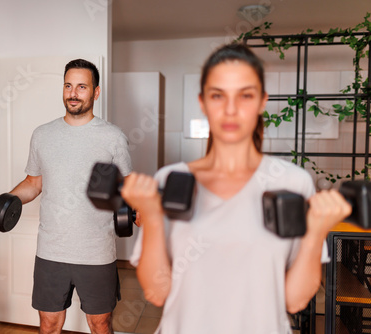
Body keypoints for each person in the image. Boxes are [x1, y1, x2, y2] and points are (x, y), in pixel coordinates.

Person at [120, 43, 352, 333]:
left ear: (262, 101)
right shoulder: (171, 180)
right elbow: (157, 292)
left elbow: (294, 300)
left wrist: (317, 232)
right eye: (218, 95)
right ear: (203, 102)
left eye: (245, 95)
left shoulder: (292, 182)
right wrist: (152, 217)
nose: (231, 109)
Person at [0, 59, 132, 334]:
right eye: (68, 85)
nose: (73, 93)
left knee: (100, 324)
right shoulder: (43, 135)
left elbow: (129, 189)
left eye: (82, 87)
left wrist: (140, 209)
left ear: (95, 92)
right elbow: (33, 184)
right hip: (51, 251)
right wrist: (2, 202)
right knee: (49, 324)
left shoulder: (113, 137)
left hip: (96, 252)